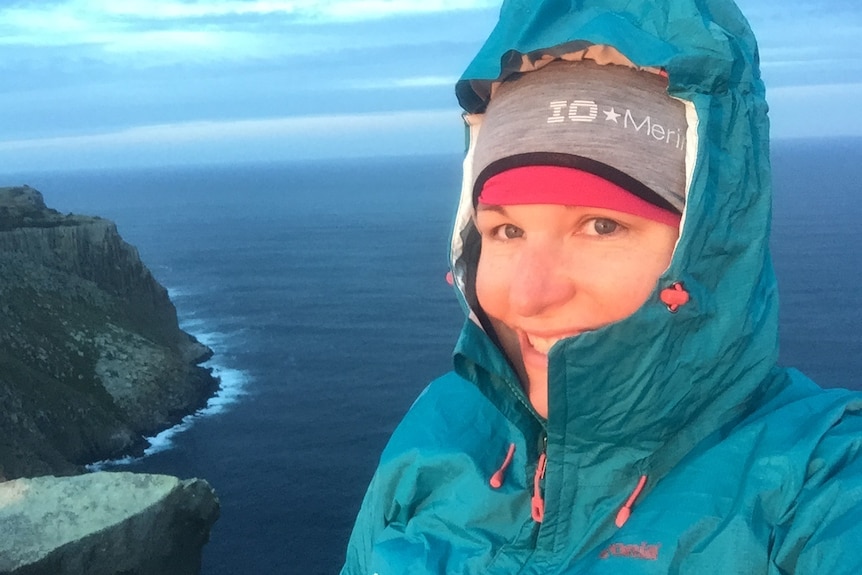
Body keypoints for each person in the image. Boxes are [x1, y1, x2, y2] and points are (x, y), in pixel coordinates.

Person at [341, 0, 862, 573]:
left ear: (708, 249)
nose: (528, 296)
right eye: (506, 229)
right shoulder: (442, 427)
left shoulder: (820, 482)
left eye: (601, 226)